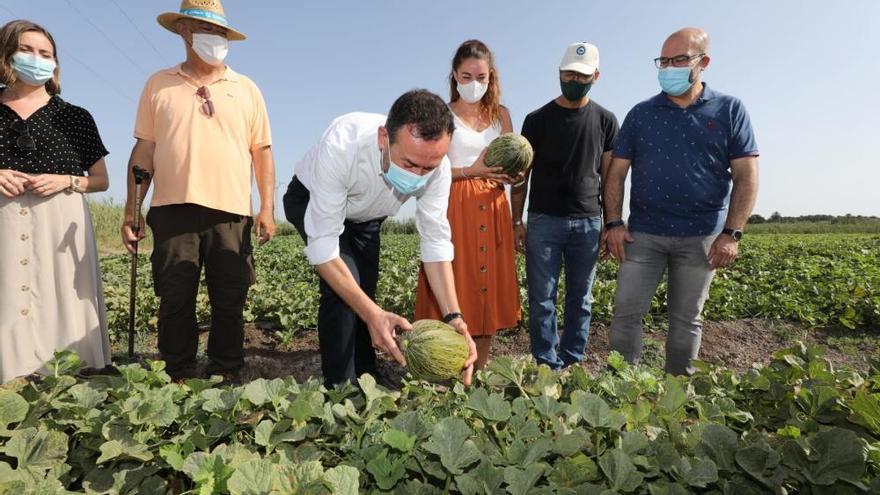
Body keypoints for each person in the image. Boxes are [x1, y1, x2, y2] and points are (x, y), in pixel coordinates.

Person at [121, 0, 276, 381]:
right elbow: (145, 150)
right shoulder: (159, 83)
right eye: (207, 31)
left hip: (231, 211)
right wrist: (131, 209)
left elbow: (262, 152)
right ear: (184, 32)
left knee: (230, 299)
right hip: (173, 208)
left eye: (221, 33)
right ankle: (176, 370)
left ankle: (225, 370)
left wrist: (266, 207)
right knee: (175, 296)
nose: (216, 39)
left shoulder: (246, 88)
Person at [283, 89, 478, 387]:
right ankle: (340, 390)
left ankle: (366, 375)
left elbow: (436, 242)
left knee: (365, 294)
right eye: (410, 163)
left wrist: (454, 317)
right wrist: (370, 312)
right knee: (343, 293)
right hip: (312, 200)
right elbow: (323, 247)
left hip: (367, 217)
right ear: (382, 138)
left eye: (429, 167)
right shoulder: (342, 144)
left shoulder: (438, 170)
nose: (418, 175)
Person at [603, 28, 759, 375]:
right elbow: (615, 173)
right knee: (626, 314)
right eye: (664, 61)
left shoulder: (729, 109)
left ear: (703, 62)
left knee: (687, 320)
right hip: (643, 234)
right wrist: (613, 223)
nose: (669, 68)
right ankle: (621, 389)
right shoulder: (641, 113)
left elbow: (746, 176)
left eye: (679, 60)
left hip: (702, 236)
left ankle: (677, 394)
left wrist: (732, 233)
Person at [0, 20, 111, 382]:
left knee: (59, 298)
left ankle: (66, 375)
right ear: (6, 55)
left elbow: (100, 180)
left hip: (59, 222)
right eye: (27, 50)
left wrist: (66, 180)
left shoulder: (75, 117)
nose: (37, 59)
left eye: (45, 54)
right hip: (4, 221)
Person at [511, 42, 619, 370]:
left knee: (580, 299)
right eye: (569, 73)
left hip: (587, 222)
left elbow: (610, 177)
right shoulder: (536, 120)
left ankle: (572, 360)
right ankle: (546, 362)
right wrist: (517, 220)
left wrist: (611, 223)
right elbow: (521, 176)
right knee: (542, 299)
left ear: (596, 76)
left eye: (582, 75)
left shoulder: (606, 120)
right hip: (544, 221)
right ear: (559, 73)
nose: (574, 79)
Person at [413, 40, 521, 370]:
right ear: (455, 76)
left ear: (492, 77)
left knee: (487, 295)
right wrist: (471, 170)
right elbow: (427, 167)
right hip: (454, 204)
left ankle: (479, 369)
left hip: (493, 205)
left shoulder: (501, 115)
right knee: (456, 287)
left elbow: (511, 159)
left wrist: (514, 176)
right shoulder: (441, 115)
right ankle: (444, 368)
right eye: (467, 75)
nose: (475, 83)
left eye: (482, 76)